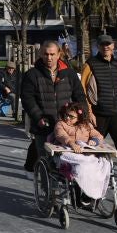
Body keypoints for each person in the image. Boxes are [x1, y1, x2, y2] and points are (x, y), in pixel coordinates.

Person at [80, 34, 117, 193]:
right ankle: (88, 182)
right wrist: (89, 112)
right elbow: (82, 89)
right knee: (92, 148)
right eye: (102, 44)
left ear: (113, 46)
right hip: (98, 114)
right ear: (98, 47)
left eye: (108, 44)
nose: (105, 47)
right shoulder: (90, 65)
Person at [21, 40, 88, 172]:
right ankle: (46, 183)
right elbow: (27, 99)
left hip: (66, 125)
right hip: (44, 125)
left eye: (52, 54)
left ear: (59, 54)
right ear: (41, 54)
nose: (49, 57)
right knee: (46, 161)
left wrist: (83, 115)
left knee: (67, 160)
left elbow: (79, 96)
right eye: (46, 54)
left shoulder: (69, 74)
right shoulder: (32, 74)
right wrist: (38, 117)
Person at [52, 101, 111, 200]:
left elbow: (98, 135)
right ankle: (83, 191)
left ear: (79, 117)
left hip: (85, 152)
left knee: (97, 164)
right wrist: (71, 143)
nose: (67, 118)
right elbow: (61, 135)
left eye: (71, 117)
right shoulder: (61, 124)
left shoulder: (86, 125)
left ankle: (89, 193)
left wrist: (94, 141)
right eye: (66, 115)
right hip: (67, 152)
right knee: (82, 166)